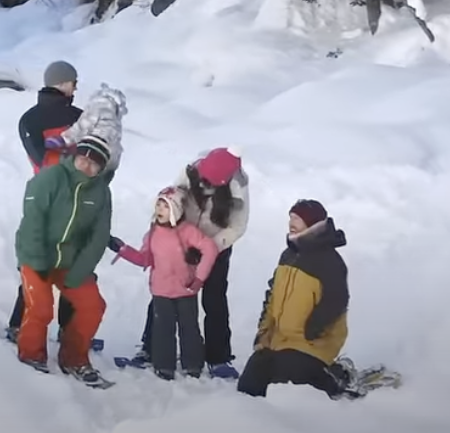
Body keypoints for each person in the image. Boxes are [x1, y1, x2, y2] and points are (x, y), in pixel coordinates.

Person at [122, 147, 248, 378]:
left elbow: (237, 227)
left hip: (215, 244)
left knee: (214, 297)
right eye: (202, 178)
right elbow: (173, 198)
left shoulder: (238, 187)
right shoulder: (190, 171)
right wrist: (174, 232)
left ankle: (218, 357)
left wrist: (209, 247)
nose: (203, 183)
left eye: (210, 182)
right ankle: (150, 348)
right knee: (166, 291)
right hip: (180, 238)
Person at [14, 135, 115, 386]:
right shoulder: (51, 178)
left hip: (70, 259)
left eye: (95, 164)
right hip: (36, 253)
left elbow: (99, 235)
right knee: (41, 307)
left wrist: (80, 271)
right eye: (84, 159)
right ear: (75, 157)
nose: (88, 167)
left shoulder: (101, 191)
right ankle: (31, 355)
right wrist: (37, 262)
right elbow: (33, 221)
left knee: (93, 306)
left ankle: (74, 357)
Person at [237, 199, 352, 398]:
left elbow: (337, 301)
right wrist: (263, 332)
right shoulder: (287, 256)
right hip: (279, 341)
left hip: (312, 343)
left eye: (297, 219)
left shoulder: (330, 262)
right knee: (249, 386)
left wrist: (312, 329)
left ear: (314, 224)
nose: (291, 222)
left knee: (288, 385)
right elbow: (272, 295)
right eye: (290, 218)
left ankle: (337, 377)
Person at [7, 60, 83, 343]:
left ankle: (21, 325)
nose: (76, 86)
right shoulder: (79, 117)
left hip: (45, 198)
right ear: (62, 83)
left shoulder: (28, 119)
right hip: (68, 199)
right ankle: (66, 329)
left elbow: (41, 160)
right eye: (74, 81)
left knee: (41, 264)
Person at [110, 186, 219, 380]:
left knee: (190, 329)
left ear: (176, 210)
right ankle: (163, 366)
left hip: (186, 290)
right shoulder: (153, 233)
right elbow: (145, 259)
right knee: (163, 330)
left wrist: (199, 278)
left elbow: (209, 249)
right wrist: (123, 250)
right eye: (158, 205)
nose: (159, 209)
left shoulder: (188, 231)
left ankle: (193, 365)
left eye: (165, 206)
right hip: (161, 291)